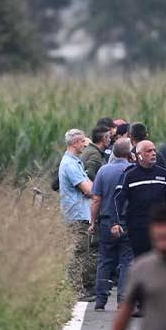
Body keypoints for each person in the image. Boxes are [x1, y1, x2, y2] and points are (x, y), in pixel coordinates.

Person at [113, 140, 166, 315]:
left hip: (160, 228)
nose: (153, 153)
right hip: (138, 228)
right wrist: (116, 222)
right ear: (139, 155)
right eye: (148, 151)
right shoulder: (129, 175)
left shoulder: (164, 174)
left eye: (154, 150)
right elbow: (118, 200)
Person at [90, 138, 136, 311]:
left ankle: (100, 300)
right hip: (127, 221)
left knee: (105, 260)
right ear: (128, 153)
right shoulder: (132, 170)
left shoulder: (103, 171)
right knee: (127, 260)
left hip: (107, 221)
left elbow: (96, 200)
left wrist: (93, 222)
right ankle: (123, 300)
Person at [59, 129, 96, 301]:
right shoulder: (70, 164)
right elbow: (88, 189)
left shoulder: (75, 162)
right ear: (74, 143)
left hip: (80, 213)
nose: (84, 144)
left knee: (82, 251)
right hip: (76, 214)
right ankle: (75, 291)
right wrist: (98, 190)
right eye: (82, 142)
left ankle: (76, 289)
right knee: (79, 252)